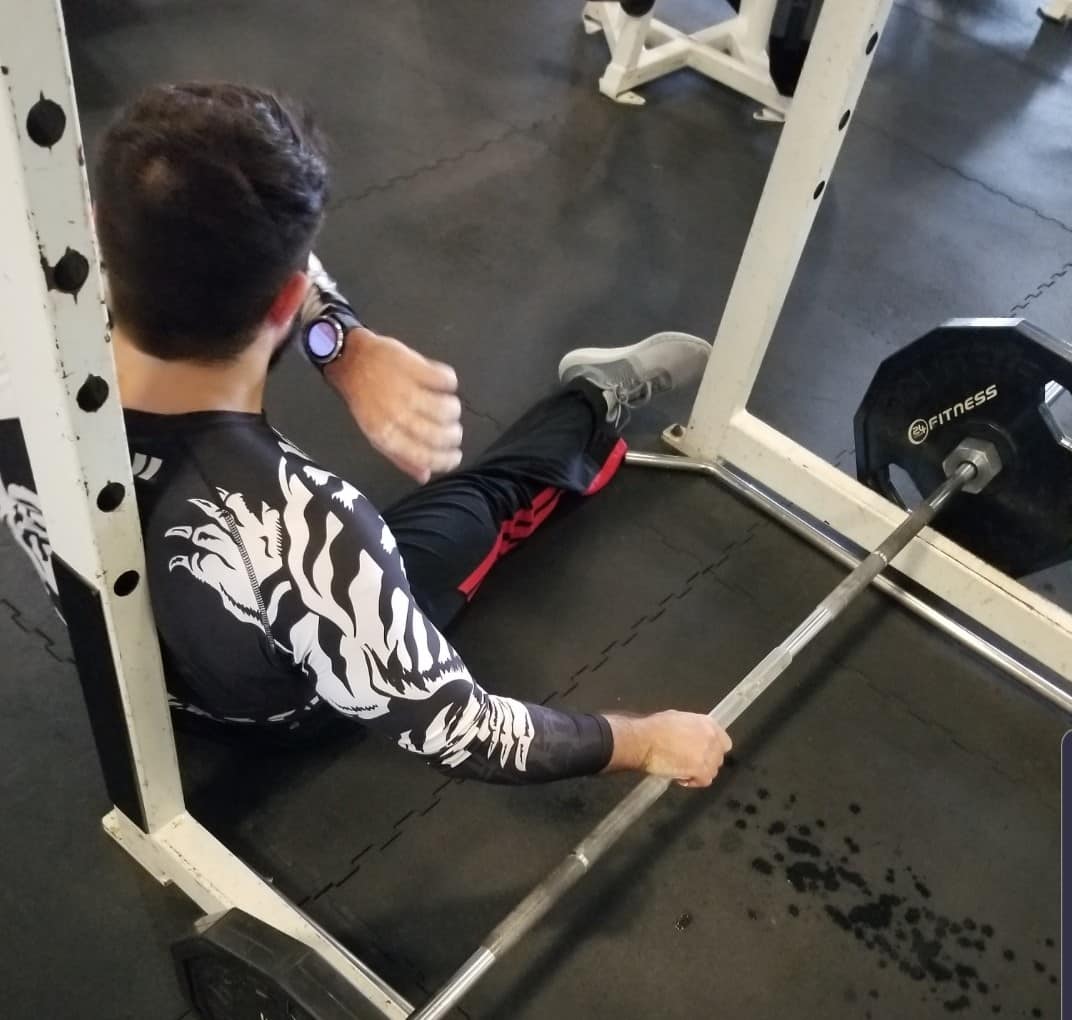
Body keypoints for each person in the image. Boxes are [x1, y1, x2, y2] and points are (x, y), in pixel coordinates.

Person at [0, 82, 731, 787]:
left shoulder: (17, 356)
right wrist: (648, 740)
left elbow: (267, 259)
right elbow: (466, 731)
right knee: (480, 505)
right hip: (274, 716)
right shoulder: (312, 525)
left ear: (96, 226)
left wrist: (343, 347)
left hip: (125, 671)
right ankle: (595, 403)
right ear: (288, 294)